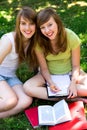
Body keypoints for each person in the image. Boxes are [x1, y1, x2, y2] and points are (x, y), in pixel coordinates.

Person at [23, 7, 87, 101]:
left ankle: (62, 94)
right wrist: (50, 82)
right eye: (42, 27)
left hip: (70, 73)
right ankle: (70, 97)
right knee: (27, 87)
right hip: (49, 75)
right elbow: (44, 69)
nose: (47, 30)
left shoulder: (71, 37)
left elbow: (76, 66)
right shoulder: (38, 43)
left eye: (50, 25)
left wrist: (73, 83)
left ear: (57, 23)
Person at [0, 6, 37, 118]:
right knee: (11, 101)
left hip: (10, 77)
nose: (27, 28)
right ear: (18, 25)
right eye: (23, 23)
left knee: (26, 100)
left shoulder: (33, 42)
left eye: (31, 23)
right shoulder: (9, 40)